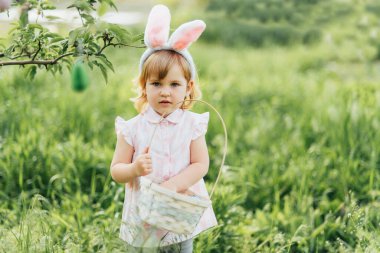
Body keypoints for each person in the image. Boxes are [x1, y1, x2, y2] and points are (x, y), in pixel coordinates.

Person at [110, 4, 217, 253]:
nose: (165, 91)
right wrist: (134, 168)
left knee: (181, 249)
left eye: (174, 84)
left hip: (180, 208)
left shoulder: (192, 125)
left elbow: (201, 164)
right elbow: (116, 170)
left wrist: (174, 185)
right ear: (143, 86)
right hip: (144, 213)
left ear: (188, 87)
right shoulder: (133, 128)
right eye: (156, 83)